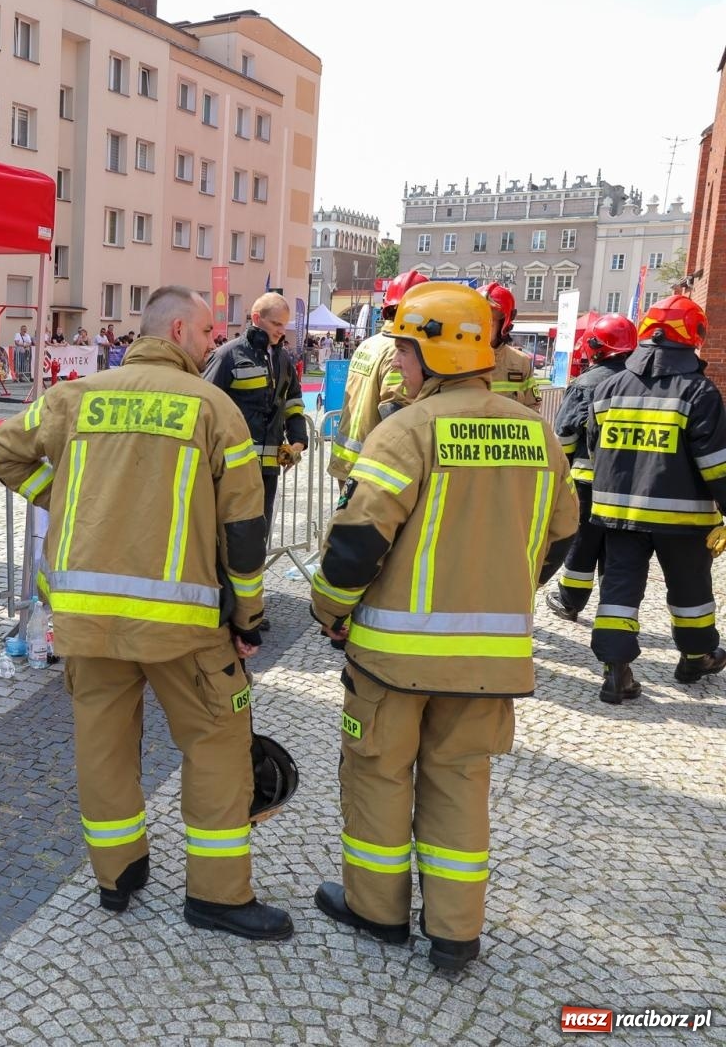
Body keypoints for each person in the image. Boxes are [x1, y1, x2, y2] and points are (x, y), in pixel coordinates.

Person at [0, 286, 287, 940]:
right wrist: (248, 618)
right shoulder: (211, 407)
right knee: (217, 743)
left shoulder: (77, 397)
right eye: (207, 332)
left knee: (103, 745)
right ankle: (217, 896)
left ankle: (117, 876)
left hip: (86, 617)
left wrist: (62, 496)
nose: (212, 343)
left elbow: (4, 451)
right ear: (177, 330)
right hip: (183, 624)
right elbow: (243, 529)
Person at [309, 282, 576, 971]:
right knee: (460, 781)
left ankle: (377, 911)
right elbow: (562, 535)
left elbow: (356, 544)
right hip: (488, 662)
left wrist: (329, 611)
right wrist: (509, 590)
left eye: (404, 349)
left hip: (393, 658)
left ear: (437, 352)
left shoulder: (407, 430)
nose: (397, 362)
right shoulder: (537, 433)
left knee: (379, 774)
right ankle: (456, 931)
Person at [584, 295, 726, 700]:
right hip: (683, 518)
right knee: (690, 589)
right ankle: (697, 657)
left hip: (618, 512)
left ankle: (615, 669)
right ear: (694, 335)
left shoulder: (609, 387)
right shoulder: (698, 392)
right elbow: (716, 464)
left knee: (619, 587)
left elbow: (595, 448)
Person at [544, 313, 637, 633]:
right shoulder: (641, 382)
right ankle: (613, 608)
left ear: (596, 347)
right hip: (628, 484)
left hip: (586, 481)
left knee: (583, 542)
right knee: (616, 548)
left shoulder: (586, 384)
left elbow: (564, 437)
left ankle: (570, 601)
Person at [203, 292, 308, 537]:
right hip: (233, 469)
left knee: (259, 538)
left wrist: (298, 441)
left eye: (284, 325)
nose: (282, 331)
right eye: (276, 324)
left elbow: (293, 401)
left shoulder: (282, 358)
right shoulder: (228, 355)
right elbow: (205, 404)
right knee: (230, 538)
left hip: (269, 470)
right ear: (257, 318)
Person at [328, 270, 427, 483]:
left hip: (348, 459)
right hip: (374, 468)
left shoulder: (369, 343)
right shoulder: (400, 350)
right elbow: (395, 410)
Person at [483, 282, 543, 409]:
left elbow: (532, 407)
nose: (481, 327)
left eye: (489, 320)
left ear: (503, 323)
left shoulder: (520, 362)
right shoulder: (455, 359)